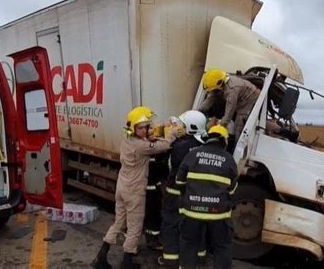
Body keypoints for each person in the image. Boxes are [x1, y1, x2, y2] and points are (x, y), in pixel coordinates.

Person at [92, 106, 180, 269]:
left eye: (146, 127)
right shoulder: (141, 146)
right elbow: (165, 145)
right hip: (134, 190)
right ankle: (127, 261)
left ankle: (101, 257)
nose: (146, 129)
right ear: (134, 128)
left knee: (118, 222)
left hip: (122, 187)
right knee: (135, 227)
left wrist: (149, 139)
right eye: (142, 127)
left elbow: (145, 144)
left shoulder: (127, 140)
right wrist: (173, 133)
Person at [176, 125, 238, 269]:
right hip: (218, 214)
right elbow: (233, 188)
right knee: (222, 246)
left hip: (191, 211)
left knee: (188, 243)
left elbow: (179, 181)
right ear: (224, 141)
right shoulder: (229, 159)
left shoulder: (192, 154)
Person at [158, 110, 208, 267]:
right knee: (196, 228)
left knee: (171, 227)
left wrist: (169, 141)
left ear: (191, 127)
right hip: (196, 195)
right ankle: (199, 259)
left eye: (183, 125)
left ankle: (171, 261)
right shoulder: (205, 146)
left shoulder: (180, 147)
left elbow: (169, 167)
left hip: (175, 195)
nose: (180, 127)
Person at [198, 68, 260, 141]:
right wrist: (198, 111)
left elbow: (229, 111)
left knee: (239, 125)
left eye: (213, 90)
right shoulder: (218, 85)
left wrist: (219, 127)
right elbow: (210, 99)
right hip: (239, 98)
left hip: (249, 99)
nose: (212, 92)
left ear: (220, 84)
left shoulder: (232, 90)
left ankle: (236, 145)